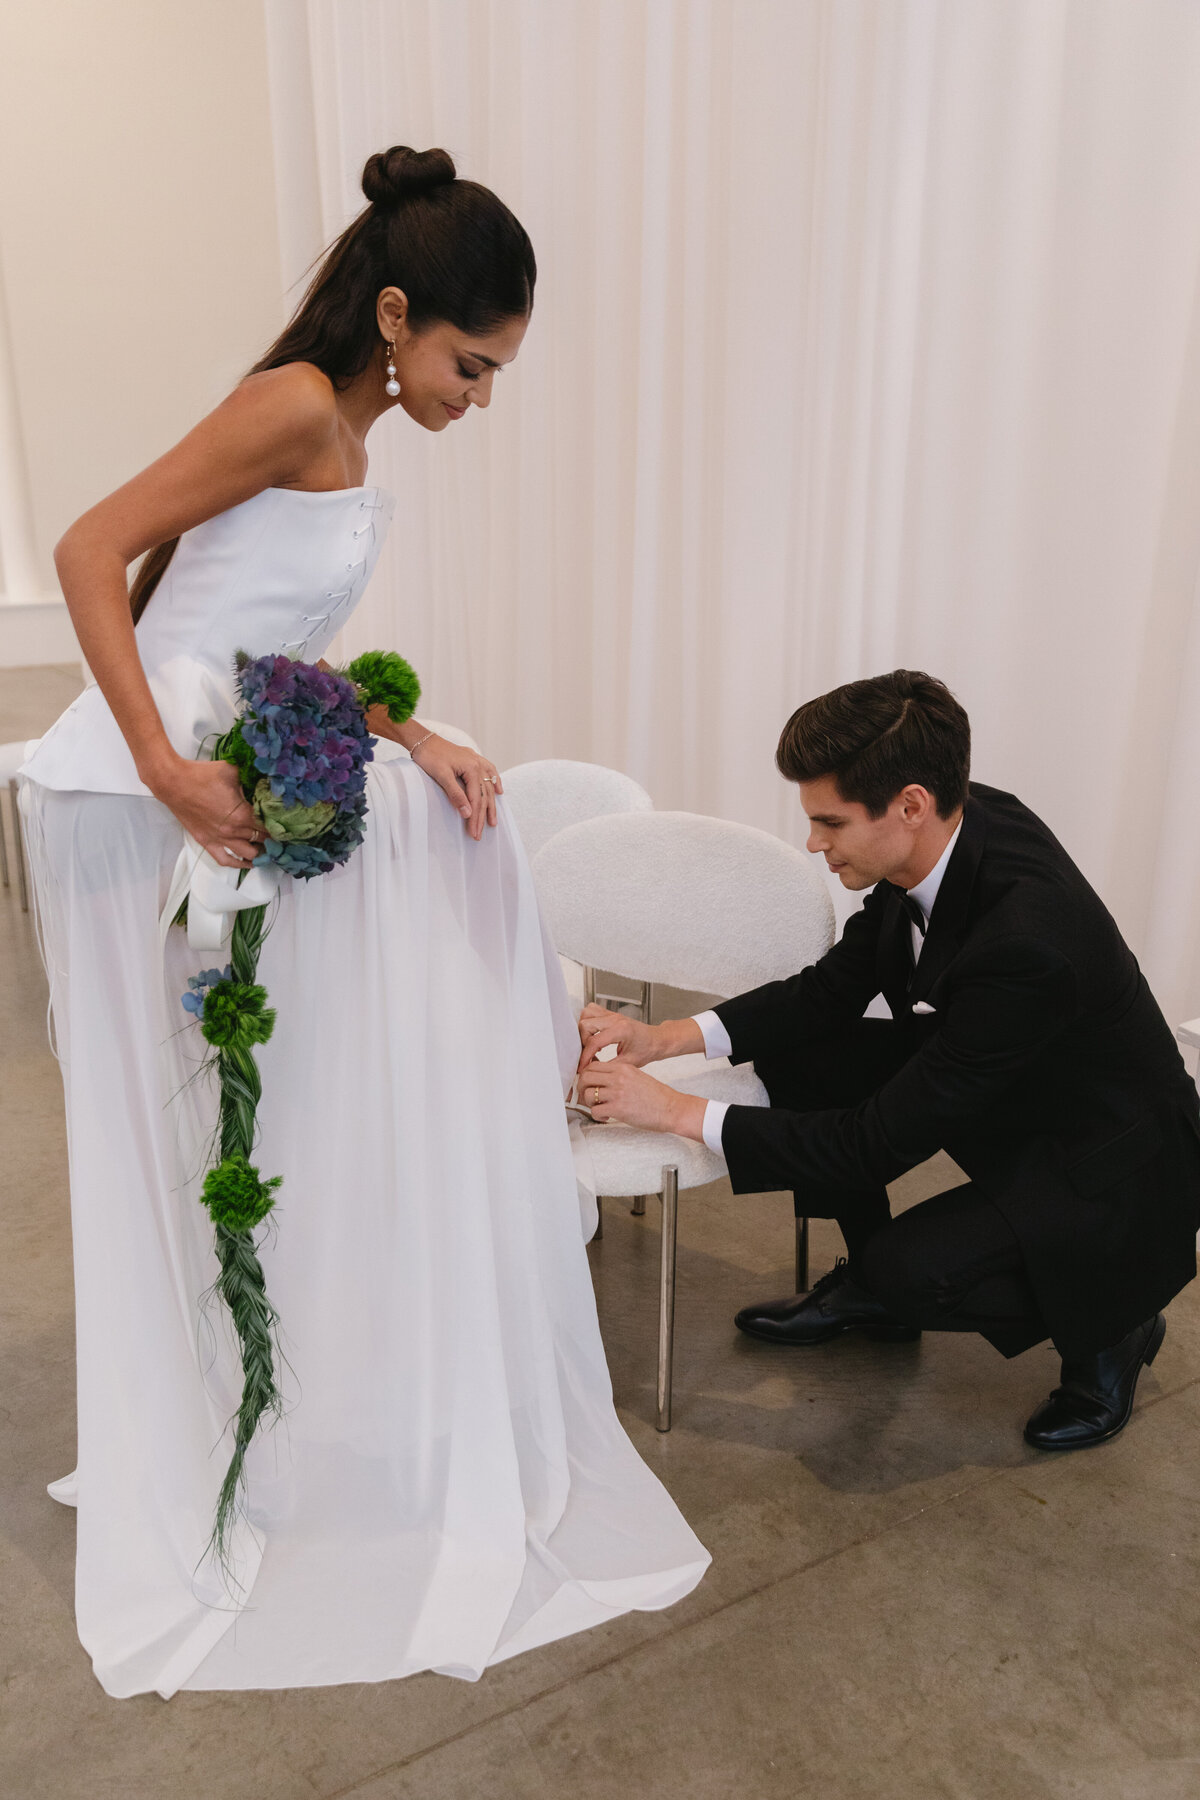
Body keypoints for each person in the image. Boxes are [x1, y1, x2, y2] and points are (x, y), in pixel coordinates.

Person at [19, 145, 707, 1700]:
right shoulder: (291, 408)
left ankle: (247, 1419)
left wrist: (406, 736)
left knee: (241, 1109)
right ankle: (197, 1434)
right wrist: (162, 768)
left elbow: (265, 641)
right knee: (181, 1119)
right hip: (138, 798)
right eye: (474, 362)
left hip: (215, 775)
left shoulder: (349, 427)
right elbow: (88, 555)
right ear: (395, 315)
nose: (482, 394)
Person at [578, 670, 1200, 1450]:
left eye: (829, 822)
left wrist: (675, 1111)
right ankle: (872, 1286)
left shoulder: (1029, 944)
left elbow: (872, 1144)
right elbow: (830, 992)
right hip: (1018, 1078)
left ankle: (1115, 1323)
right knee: (814, 1061)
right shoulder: (953, 825)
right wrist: (665, 1038)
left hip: (1109, 1157)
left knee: (917, 1271)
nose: (813, 843)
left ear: (909, 804)